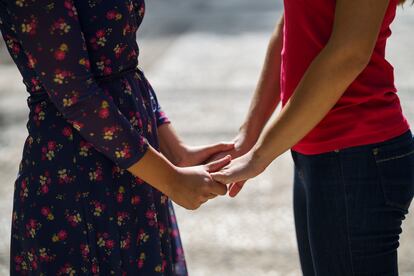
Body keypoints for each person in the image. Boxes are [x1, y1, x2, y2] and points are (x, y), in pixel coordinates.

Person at [0, 0, 231, 274]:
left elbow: (124, 68)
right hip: (77, 182)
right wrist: (171, 180)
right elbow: (75, 95)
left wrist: (176, 151)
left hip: (139, 169)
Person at [211, 0, 414, 275]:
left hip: (359, 156)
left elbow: (349, 54)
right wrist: (248, 136)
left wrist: (260, 155)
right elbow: (290, 26)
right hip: (316, 152)